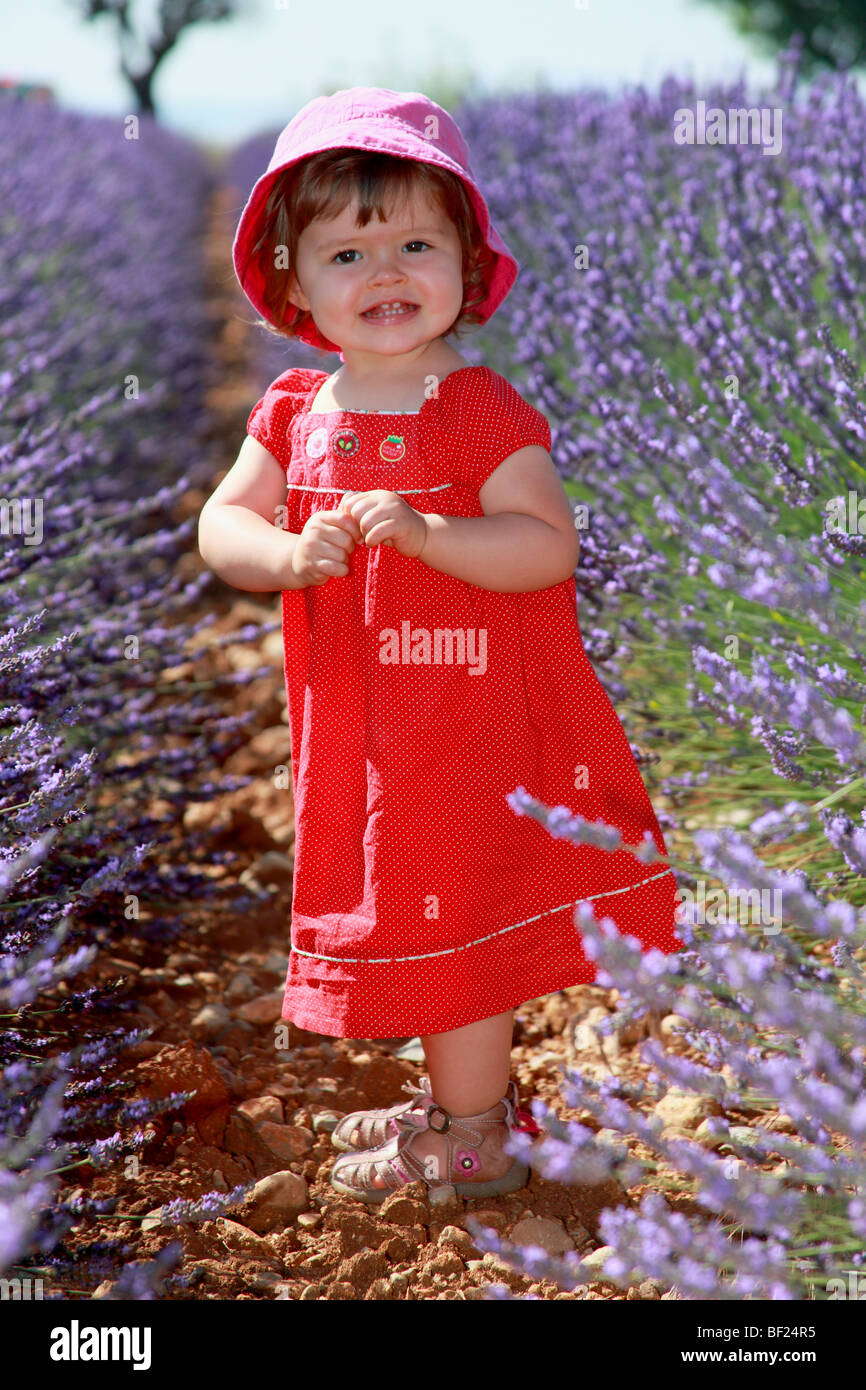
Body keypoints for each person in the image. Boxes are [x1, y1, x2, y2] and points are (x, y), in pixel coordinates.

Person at [199, 86, 684, 1205]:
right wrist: (280, 555)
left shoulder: (470, 409)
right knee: (404, 900)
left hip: (465, 726)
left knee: (449, 907)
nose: (384, 273)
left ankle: (471, 1136)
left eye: (415, 243)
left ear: (467, 265)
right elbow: (221, 522)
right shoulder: (290, 413)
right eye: (347, 251)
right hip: (363, 730)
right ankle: (459, 1106)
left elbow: (544, 545)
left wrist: (426, 533)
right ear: (295, 280)